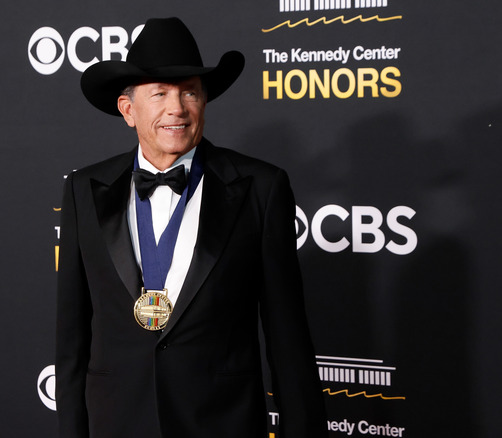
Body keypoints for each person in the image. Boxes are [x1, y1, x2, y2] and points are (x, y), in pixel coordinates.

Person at [56, 17, 326, 438]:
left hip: (223, 423)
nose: (176, 109)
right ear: (128, 110)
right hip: (118, 422)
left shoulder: (261, 188)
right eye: (159, 93)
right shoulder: (84, 190)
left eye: (190, 93)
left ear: (204, 101)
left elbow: (288, 340)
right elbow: (71, 340)